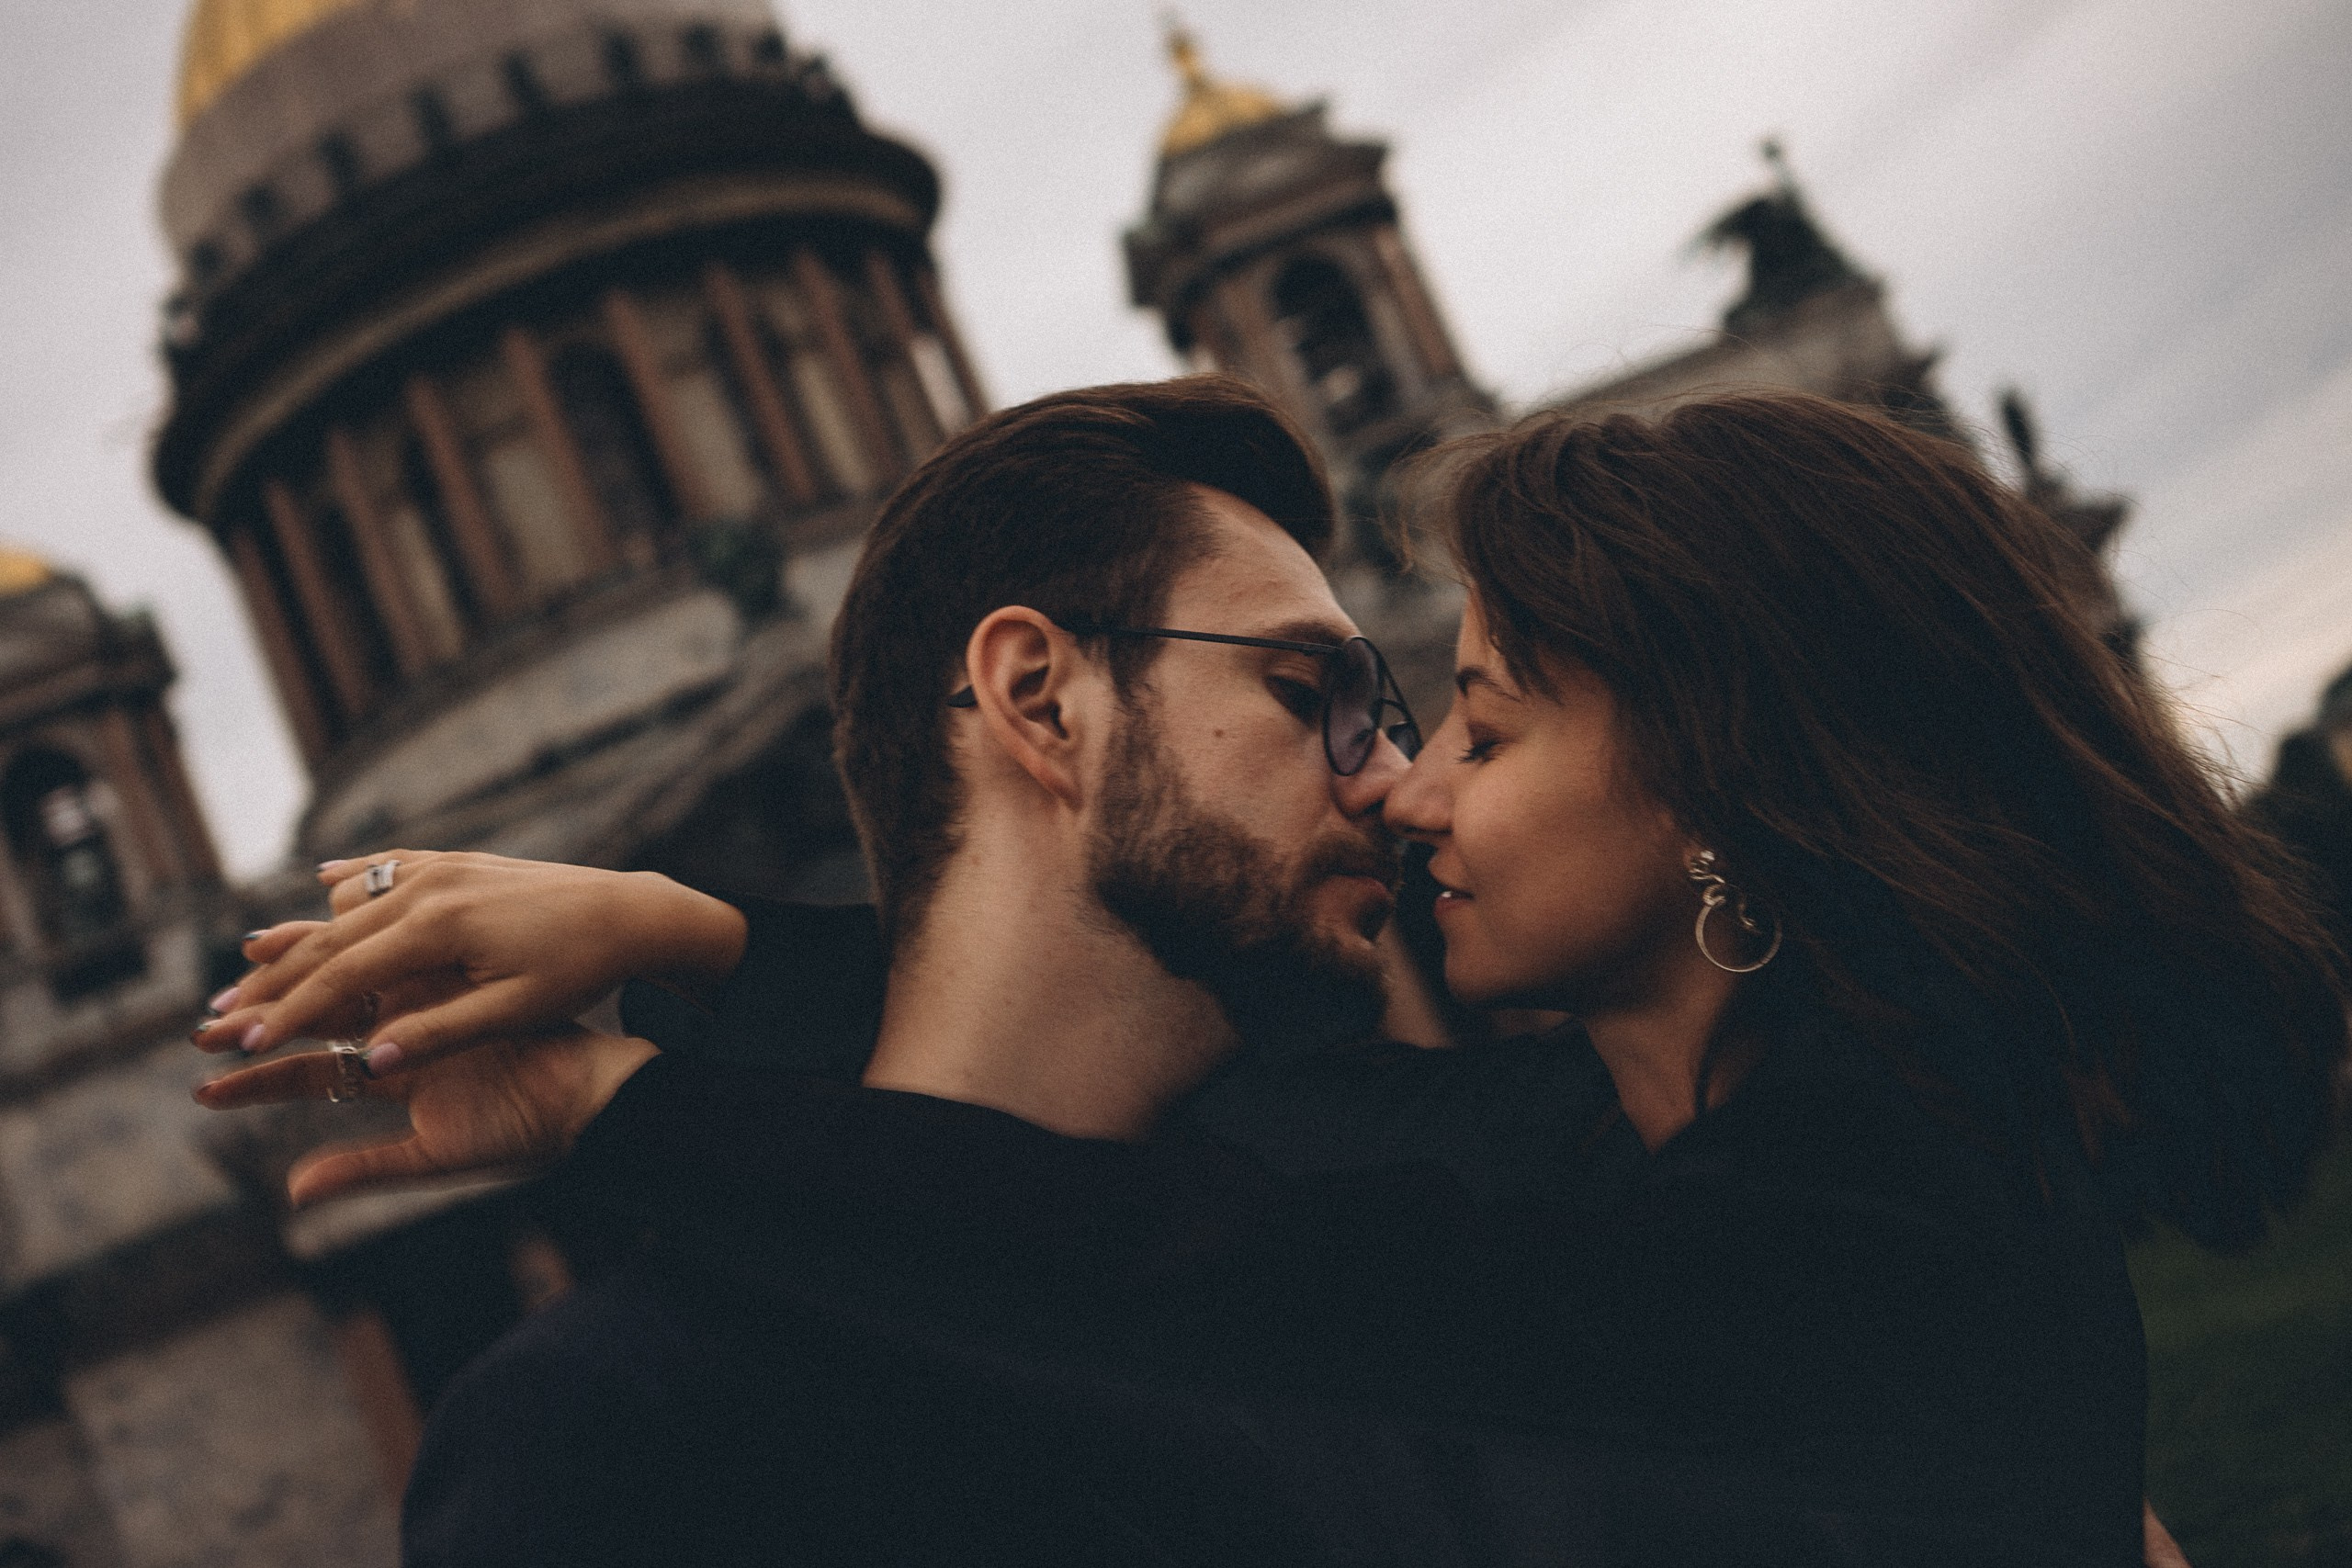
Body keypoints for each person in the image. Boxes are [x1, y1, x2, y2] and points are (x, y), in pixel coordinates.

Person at [201, 388, 2321, 1564]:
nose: (1397, 786)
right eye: (1331, 692)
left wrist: (630, 1095)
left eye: (1459, 719)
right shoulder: (612, 1451)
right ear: (1035, 696)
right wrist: (709, 941)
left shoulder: (1602, 1207)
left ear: (1714, 789)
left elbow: (1160, 1262)